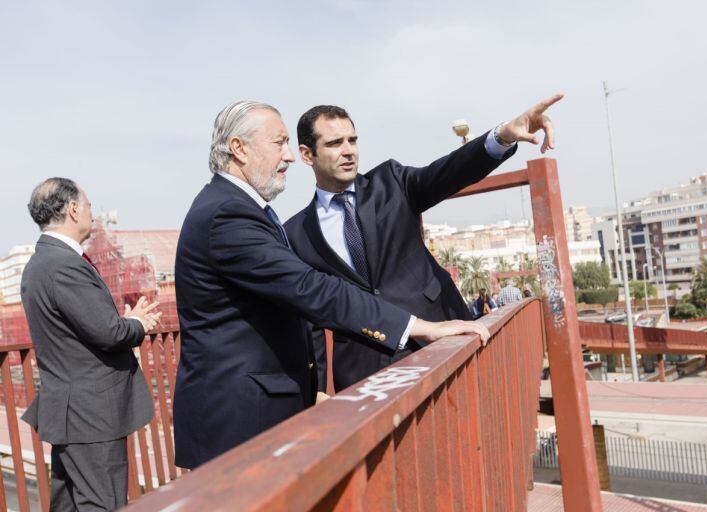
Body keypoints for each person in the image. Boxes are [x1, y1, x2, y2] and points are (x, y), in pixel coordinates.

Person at [173, 101, 490, 469]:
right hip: (240, 421)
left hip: (257, 412)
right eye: (279, 143)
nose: (288, 156)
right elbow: (310, 290)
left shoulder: (237, 208)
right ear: (239, 149)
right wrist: (420, 326)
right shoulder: (228, 215)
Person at [285, 96, 562, 391]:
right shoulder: (297, 233)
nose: (348, 151)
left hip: (444, 338)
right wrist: (317, 392)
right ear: (306, 154)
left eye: (352, 140)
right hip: (364, 371)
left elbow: (447, 172)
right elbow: (310, 320)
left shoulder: (391, 181)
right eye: (334, 143)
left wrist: (502, 136)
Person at [20, 178, 161, 511]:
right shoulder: (64, 265)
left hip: (71, 409)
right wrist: (137, 324)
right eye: (88, 206)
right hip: (92, 411)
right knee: (102, 503)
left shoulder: (41, 263)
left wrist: (127, 322)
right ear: (72, 209)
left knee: (68, 503)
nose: (91, 214)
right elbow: (107, 332)